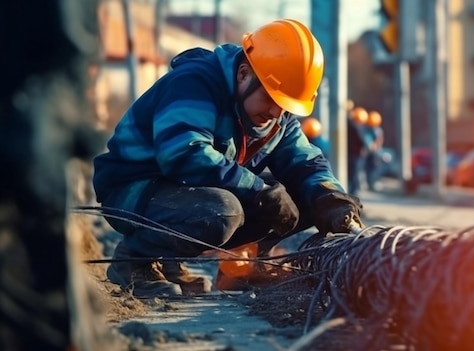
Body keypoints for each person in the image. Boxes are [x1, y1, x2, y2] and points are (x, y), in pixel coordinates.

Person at [92, 19, 364, 297]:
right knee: (223, 210)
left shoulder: (277, 116)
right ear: (244, 74)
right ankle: (134, 260)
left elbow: (305, 162)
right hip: (133, 191)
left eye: (285, 106)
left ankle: (240, 265)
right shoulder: (194, 83)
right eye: (271, 99)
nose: (275, 113)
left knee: (304, 198)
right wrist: (259, 190)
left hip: (186, 193)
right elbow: (184, 154)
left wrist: (331, 197)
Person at [347, 106, 374, 196]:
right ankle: (353, 192)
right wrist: (368, 147)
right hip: (356, 154)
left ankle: (353, 190)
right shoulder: (356, 127)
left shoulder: (349, 124)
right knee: (354, 173)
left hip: (350, 153)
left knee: (352, 173)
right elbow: (362, 139)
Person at [364, 110, 385, 191]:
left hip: (374, 152)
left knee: (373, 168)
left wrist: (375, 147)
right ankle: (371, 183)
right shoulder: (371, 130)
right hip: (372, 152)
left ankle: (372, 183)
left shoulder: (374, 130)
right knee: (371, 168)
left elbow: (379, 140)